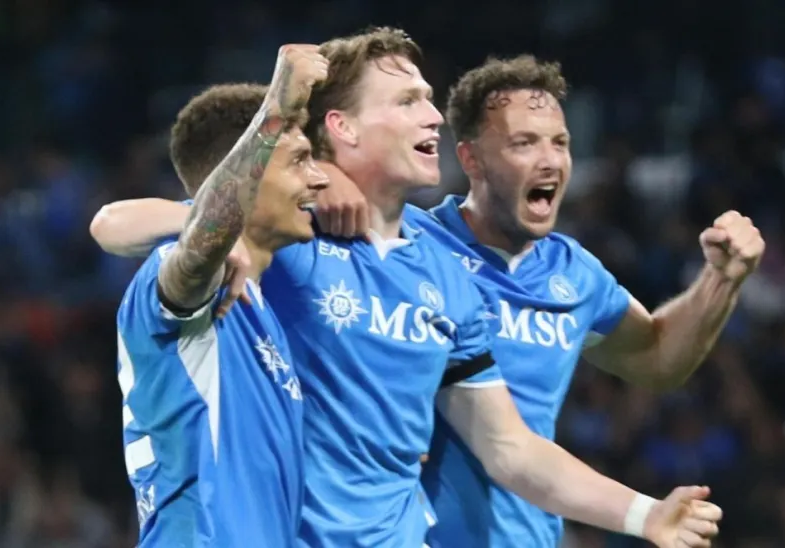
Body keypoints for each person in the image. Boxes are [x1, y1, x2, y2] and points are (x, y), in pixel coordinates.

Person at [93, 29, 723, 548]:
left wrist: (645, 516)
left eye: (428, 99)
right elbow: (116, 223)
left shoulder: (447, 273)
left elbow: (509, 447)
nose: (432, 115)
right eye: (406, 101)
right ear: (340, 127)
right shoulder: (290, 238)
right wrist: (219, 227)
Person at [321, 55, 765, 547]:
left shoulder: (574, 274)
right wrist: (327, 173)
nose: (550, 160)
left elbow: (658, 360)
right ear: (470, 159)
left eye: (560, 143)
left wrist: (720, 282)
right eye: (523, 143)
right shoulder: (413, 246)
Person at [112, 45, 329, 547]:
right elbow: (198, 246)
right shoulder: (177, 278)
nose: (318, 179)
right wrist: (277, 107)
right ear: (241, 176)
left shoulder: (260, 310)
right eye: (298, 161)